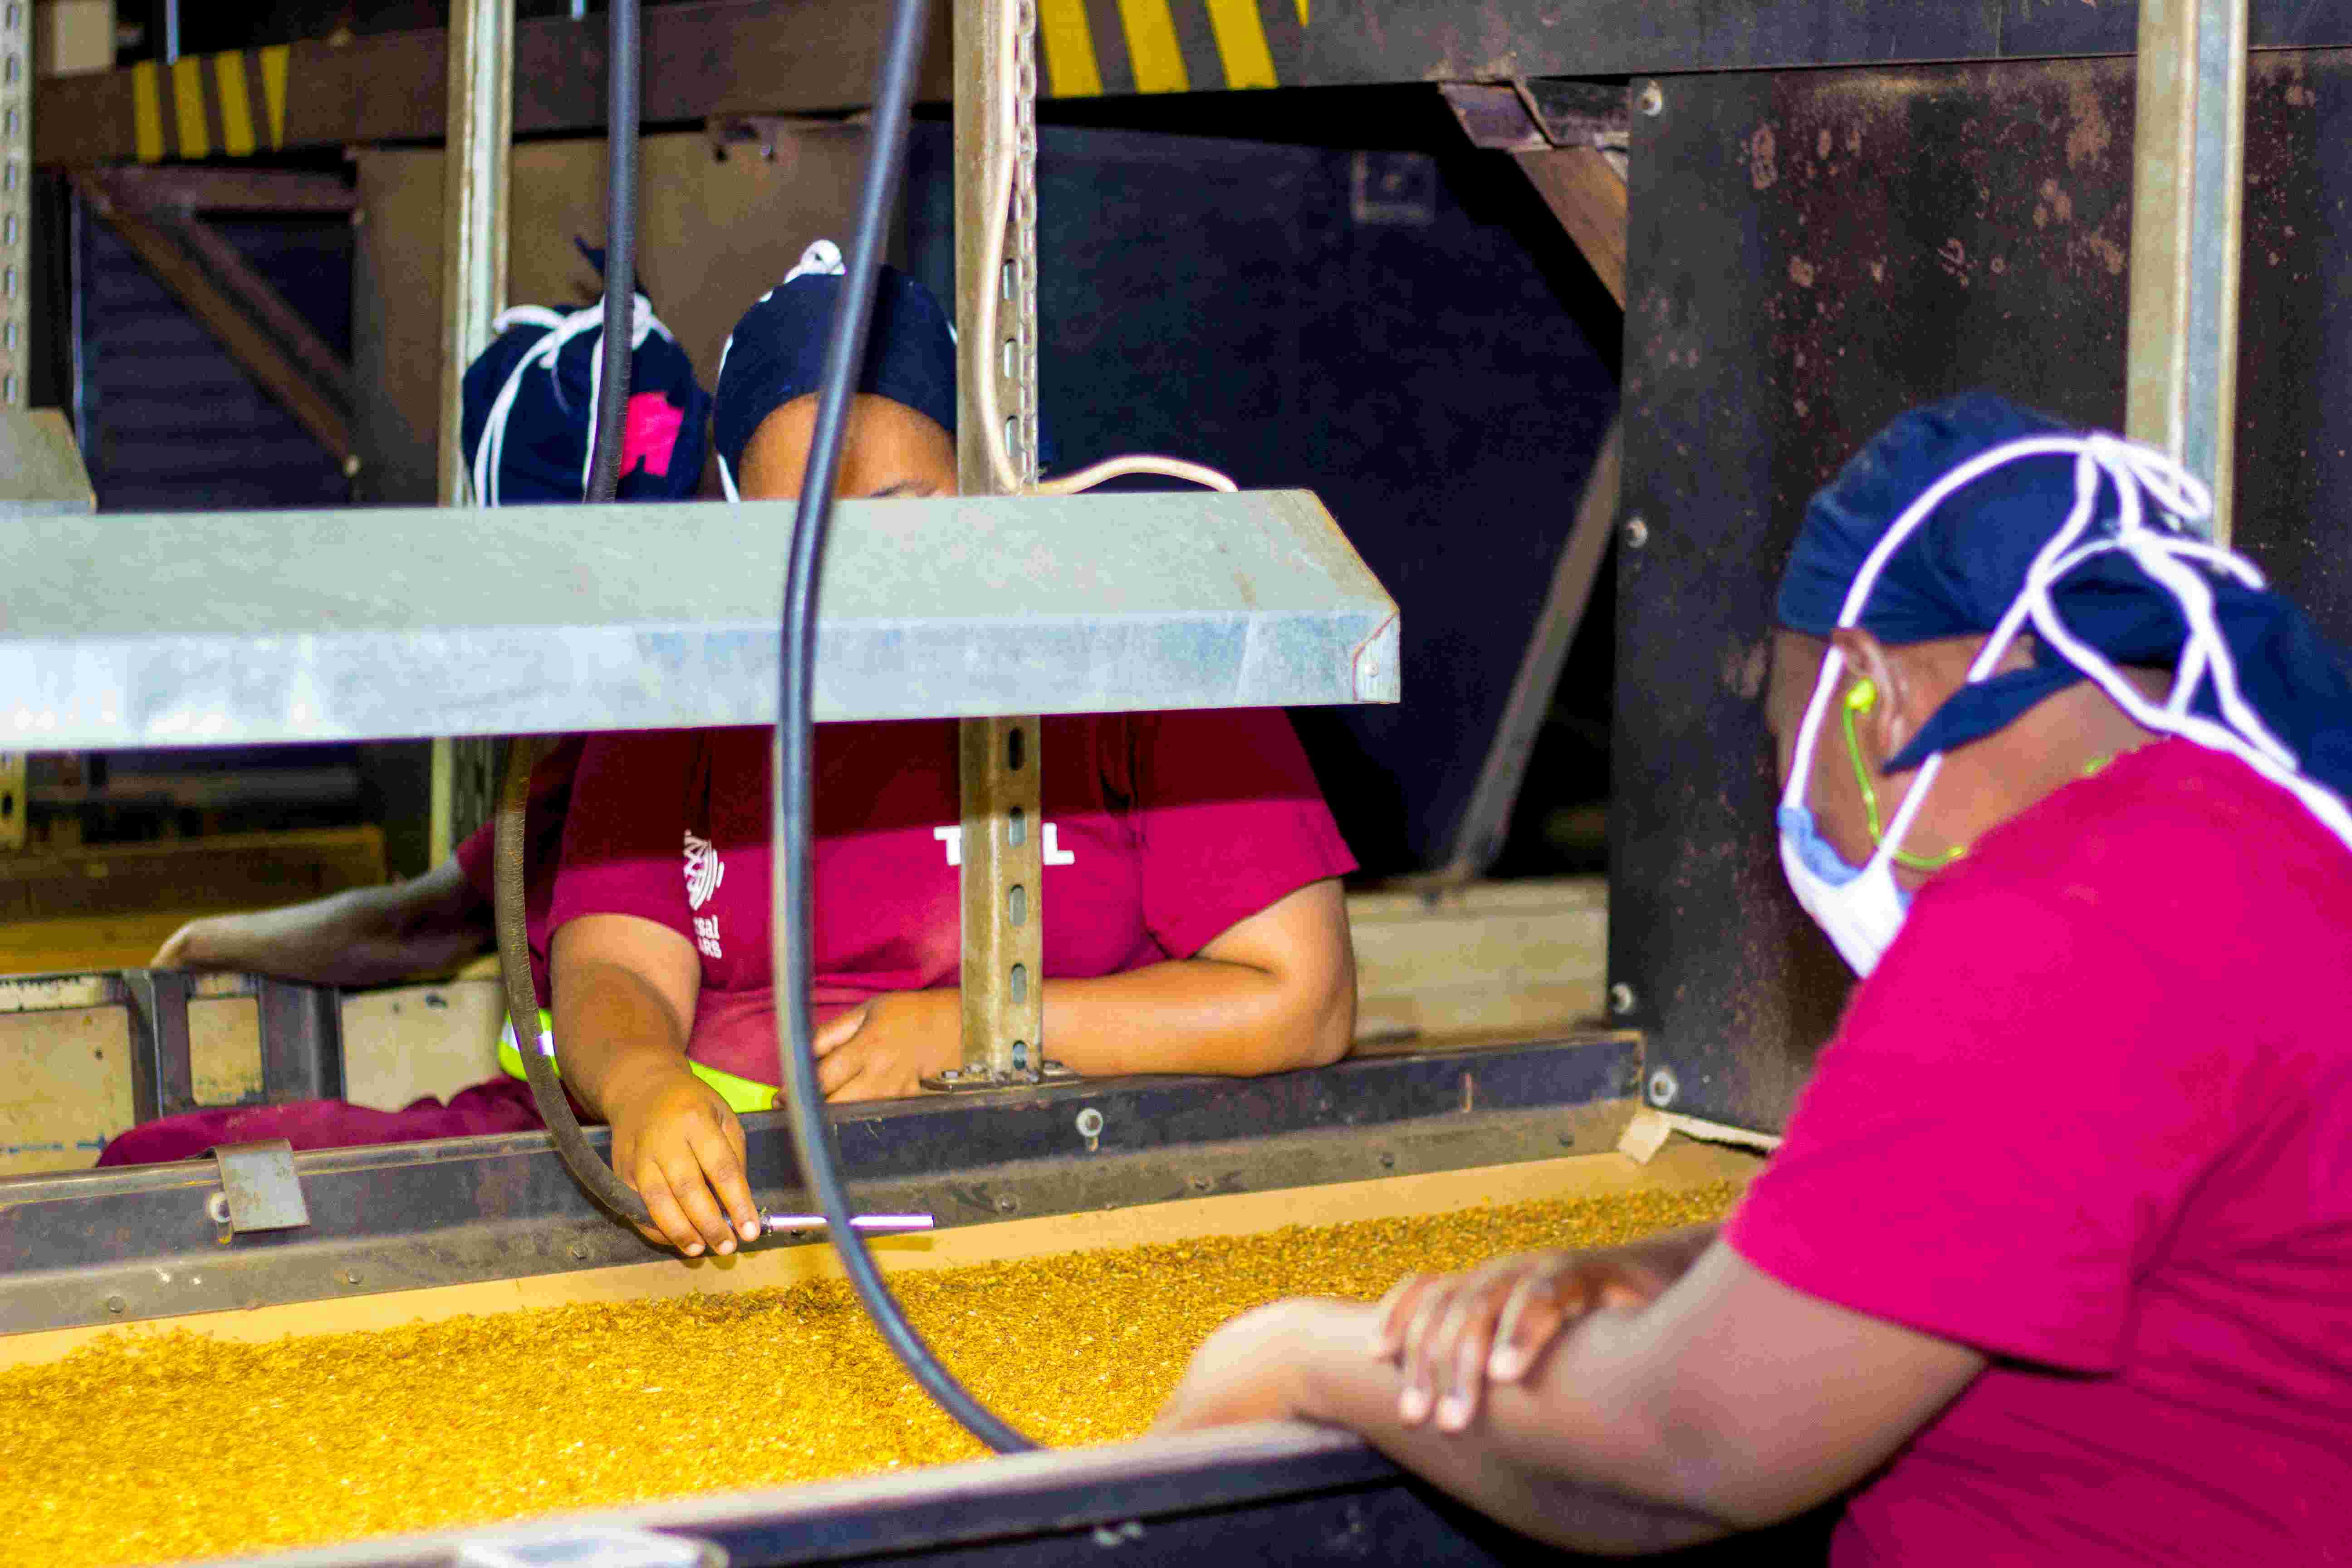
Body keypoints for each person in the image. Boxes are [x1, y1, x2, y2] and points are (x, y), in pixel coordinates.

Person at [1153, 392, 2352, 1565]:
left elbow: (1694, 1455)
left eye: (1784, 730)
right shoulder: (2260, 844)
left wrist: (1300, 1358)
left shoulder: (2064, 927)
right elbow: (2015, 1244)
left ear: (1877, 696)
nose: (1791, 793)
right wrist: (1671, 1274)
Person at [542, 241, 1359, 1259]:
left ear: (986, 484)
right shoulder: (685, 671)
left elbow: (1303, 998)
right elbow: (615, 959)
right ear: (733, 527)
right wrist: (642, 1084)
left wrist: (981, 1031)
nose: (853, 578)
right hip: (740, 1213)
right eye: (795, 537)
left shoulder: (1133, 649)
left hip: (1087, 1201)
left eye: (901, 520)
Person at [105, 281, 710, 1163]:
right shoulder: (574, 749)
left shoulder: (673, 723)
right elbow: (429, 920)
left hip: (595, 1151)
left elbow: (427, 924)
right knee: (162, 1157)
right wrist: (215, 942)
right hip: (544, 1133)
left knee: (155, 1168)